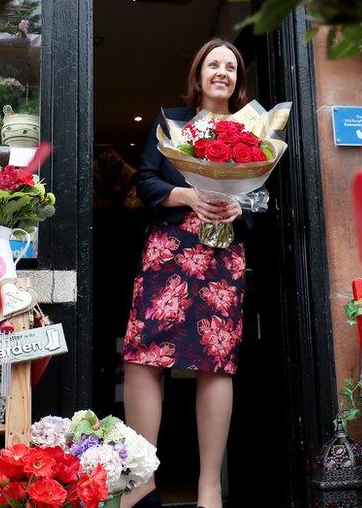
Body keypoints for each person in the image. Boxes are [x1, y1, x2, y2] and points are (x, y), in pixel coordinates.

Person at [120, 38, 251, 508]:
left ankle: (209, 487)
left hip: (221, 256)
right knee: (143, 356)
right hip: (170, 250)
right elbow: (146, 180)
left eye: (230, 67)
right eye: (213, 64)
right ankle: (142, 481)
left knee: (215, 361)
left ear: (237, 81)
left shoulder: (253, 131)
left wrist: (242, 203)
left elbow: (264, 199)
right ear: (198, 76)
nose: (222, 72)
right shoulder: (171, 122)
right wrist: (188, 197)